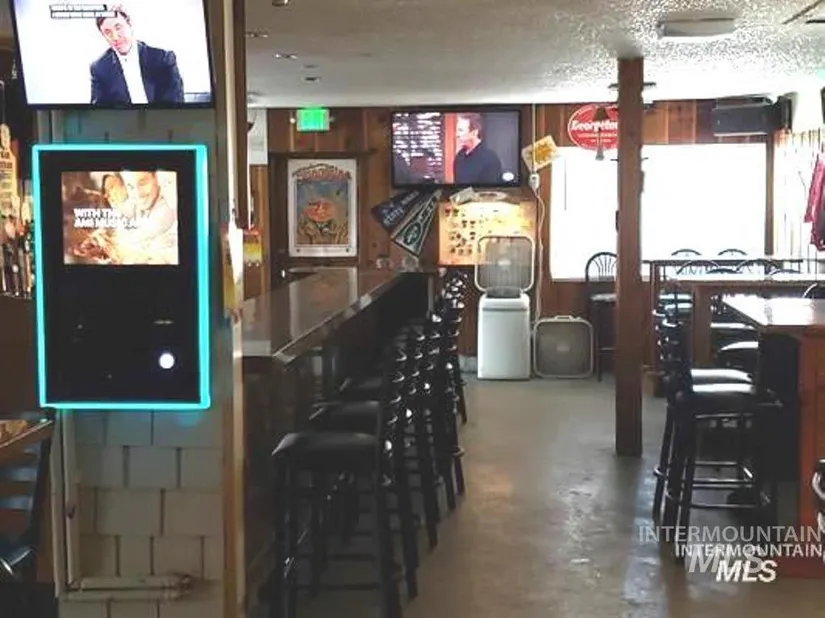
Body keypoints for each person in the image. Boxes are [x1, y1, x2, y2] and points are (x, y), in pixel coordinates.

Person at [90, 6, 184, 105]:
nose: (115, 37)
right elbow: (98, 110)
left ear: (130, 25)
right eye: (107, 32)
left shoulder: (163, 59)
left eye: (118, 28)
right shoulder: (99, 68)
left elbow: (175, 106)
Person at [452, 113, 503, 185]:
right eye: (457, 130)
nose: (457, 135)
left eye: (461, 130)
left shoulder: (490, 159)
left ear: (474, 133)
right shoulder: (459, 156)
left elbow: (491, 190)